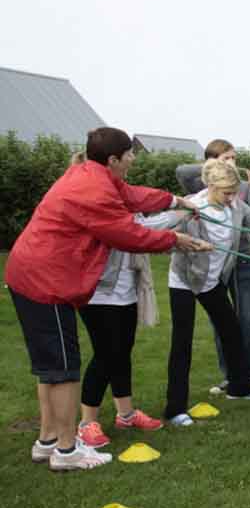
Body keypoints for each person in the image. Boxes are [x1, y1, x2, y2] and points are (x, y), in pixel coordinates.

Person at [6, 127, 208, 471]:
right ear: (113, 159)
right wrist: (174, 239)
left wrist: (175, 201)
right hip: (44, 280)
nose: (133, 159)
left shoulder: (92, 174)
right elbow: (127, 235)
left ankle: (47, 441)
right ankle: (67, 451)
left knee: (51, 368)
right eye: (130, 154)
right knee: (64, 371)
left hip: (30, 273)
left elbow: (133, 196)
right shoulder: (95, 191)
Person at [164, 159, 250, 425]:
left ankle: (239, 389)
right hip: (184, 280)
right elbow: (164, 239)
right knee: (182, 341)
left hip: (212, 281)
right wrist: (190, 243)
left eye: (234, 192)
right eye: (226, 193)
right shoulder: (191, 206)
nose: (231, 198)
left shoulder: (236, 206)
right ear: (210, 186)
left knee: (231, 332)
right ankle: (175, 409)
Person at [69, 152, 180, 447]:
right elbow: (136, 231)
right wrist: (181, 213)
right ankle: (87, 423)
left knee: (121, 352)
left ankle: (126, 414)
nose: (128, 164)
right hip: (97, 292)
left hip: (125, 290)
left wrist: (180, 210)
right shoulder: (91, 201)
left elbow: (142, 220)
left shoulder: (119, 196)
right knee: (105, 355)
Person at [176, 139, 250, 395]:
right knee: (221, 323)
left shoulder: (242, 187)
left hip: (242, 259)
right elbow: (181, 171)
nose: (232, 162)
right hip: (211, 265)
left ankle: (249, 375)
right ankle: (231, 376)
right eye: (226, 157)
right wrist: (215, 167)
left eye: (234, 157)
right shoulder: (201, 189)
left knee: (245, 320)